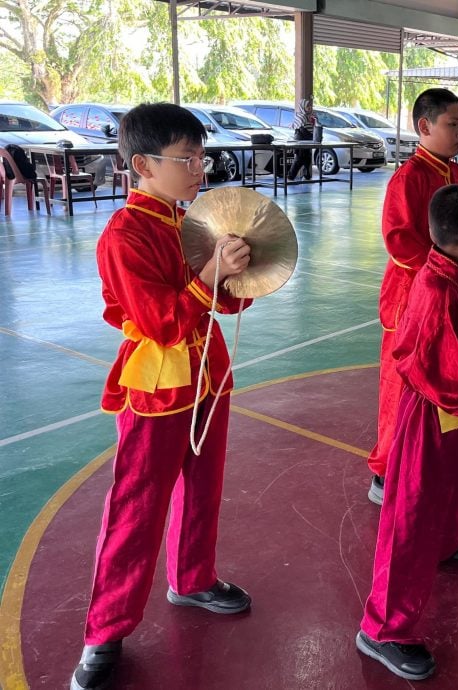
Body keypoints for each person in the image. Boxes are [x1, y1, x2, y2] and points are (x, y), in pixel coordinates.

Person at [70, 103, 253, 690]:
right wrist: (211, 279)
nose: (200, 167)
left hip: (207, 370)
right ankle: (105, 630)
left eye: (201, 156)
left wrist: (240, 271)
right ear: (142, 165)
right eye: (188, 158)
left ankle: (193, 577)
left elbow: (223, 303)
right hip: (158, 381)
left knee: (205, 484)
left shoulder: (189, 222)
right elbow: (160, 321)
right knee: (136, 508)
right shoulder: (125, 234)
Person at [356, 184, 458, 681]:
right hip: (429, 415)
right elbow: (437, 374)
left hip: (450, 415)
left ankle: (448, 543)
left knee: (449, 492)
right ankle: (382, 629)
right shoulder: (434, 289)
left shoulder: (451, 276)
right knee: (409, 518)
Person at [368, 87, 458, 505]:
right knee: (399, 385)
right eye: (453, 125)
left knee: (442, 378)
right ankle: (385, 471)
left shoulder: (456, 174)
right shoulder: (408, 178)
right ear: (424, 126)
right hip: (408, 297)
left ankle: (428, 462)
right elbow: (399, 241)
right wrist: (450, 269)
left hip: (447, 290)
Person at [287, 97, 317, 181]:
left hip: (308, 139)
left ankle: (306, 176)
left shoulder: (310, 116)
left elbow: (315, 126)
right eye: (307, 106)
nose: (309, 108)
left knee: (307, 158)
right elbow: (297, 126)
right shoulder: (301, 116)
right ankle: (291, 176)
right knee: (299, 158)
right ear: (303, 107)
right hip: (301, 139)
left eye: (310, 106)